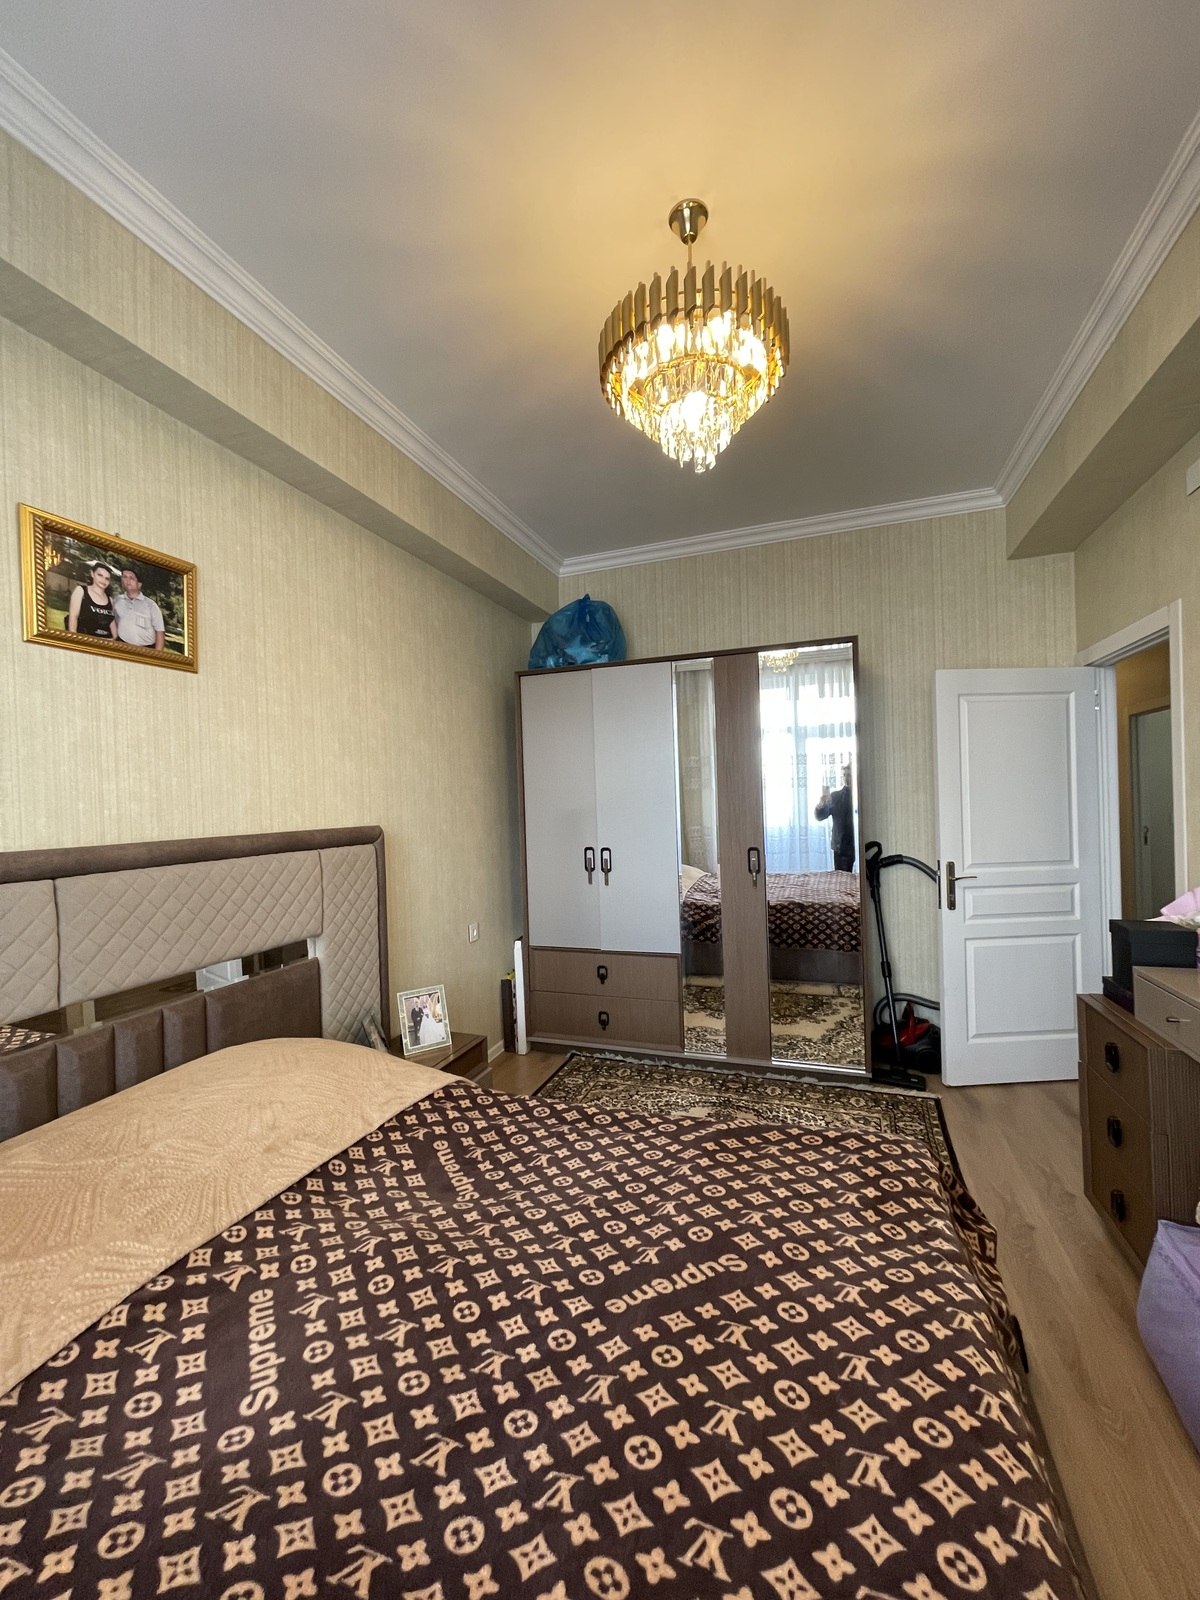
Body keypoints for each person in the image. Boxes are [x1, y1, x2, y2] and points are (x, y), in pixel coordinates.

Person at [112, 566, 166, 650]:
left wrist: (157, 655)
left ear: (139, 584)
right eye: (124, 577)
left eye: (131, 578)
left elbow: (160, 632)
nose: (127, 580)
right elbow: (113, 622)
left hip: (145, 650)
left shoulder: (151, 605)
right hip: (121, 647)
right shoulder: (117, 601)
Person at [815, 762, 856, 871]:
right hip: (841, 847)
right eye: (844, 775)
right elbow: (820, 816)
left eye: (849, 775)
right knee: (841, 878)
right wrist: (821, 804)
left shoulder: (860, 796)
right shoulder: (836, 796)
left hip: (858, 843)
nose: (846, 778)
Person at [66, 562, 117, 638]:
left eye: (107, 578)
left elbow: (112, 624)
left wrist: (113, 639)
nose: (103, 580)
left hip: (105, 642)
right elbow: (73, 616)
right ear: (92, 574)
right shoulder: (81, 591)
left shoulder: (110, 600)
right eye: (100, 575)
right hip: (84, 641)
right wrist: (74, 639)